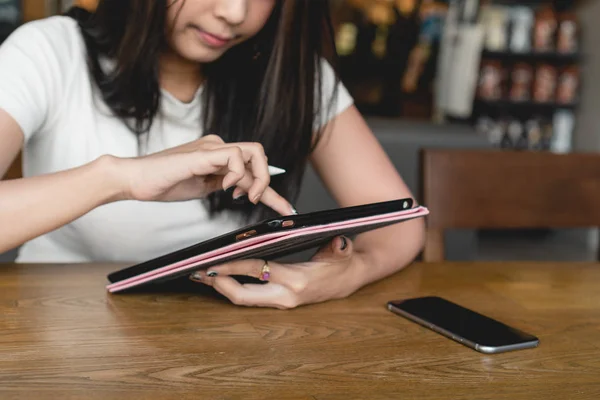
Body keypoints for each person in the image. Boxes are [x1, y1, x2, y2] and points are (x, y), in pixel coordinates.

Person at [0, 0, 425, 309]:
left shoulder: (295, 76)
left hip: (222, 343)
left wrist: (351, 273)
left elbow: (403, 226)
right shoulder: (49, 51)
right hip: (52, 322)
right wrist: (118, 180)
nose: (234, 13)